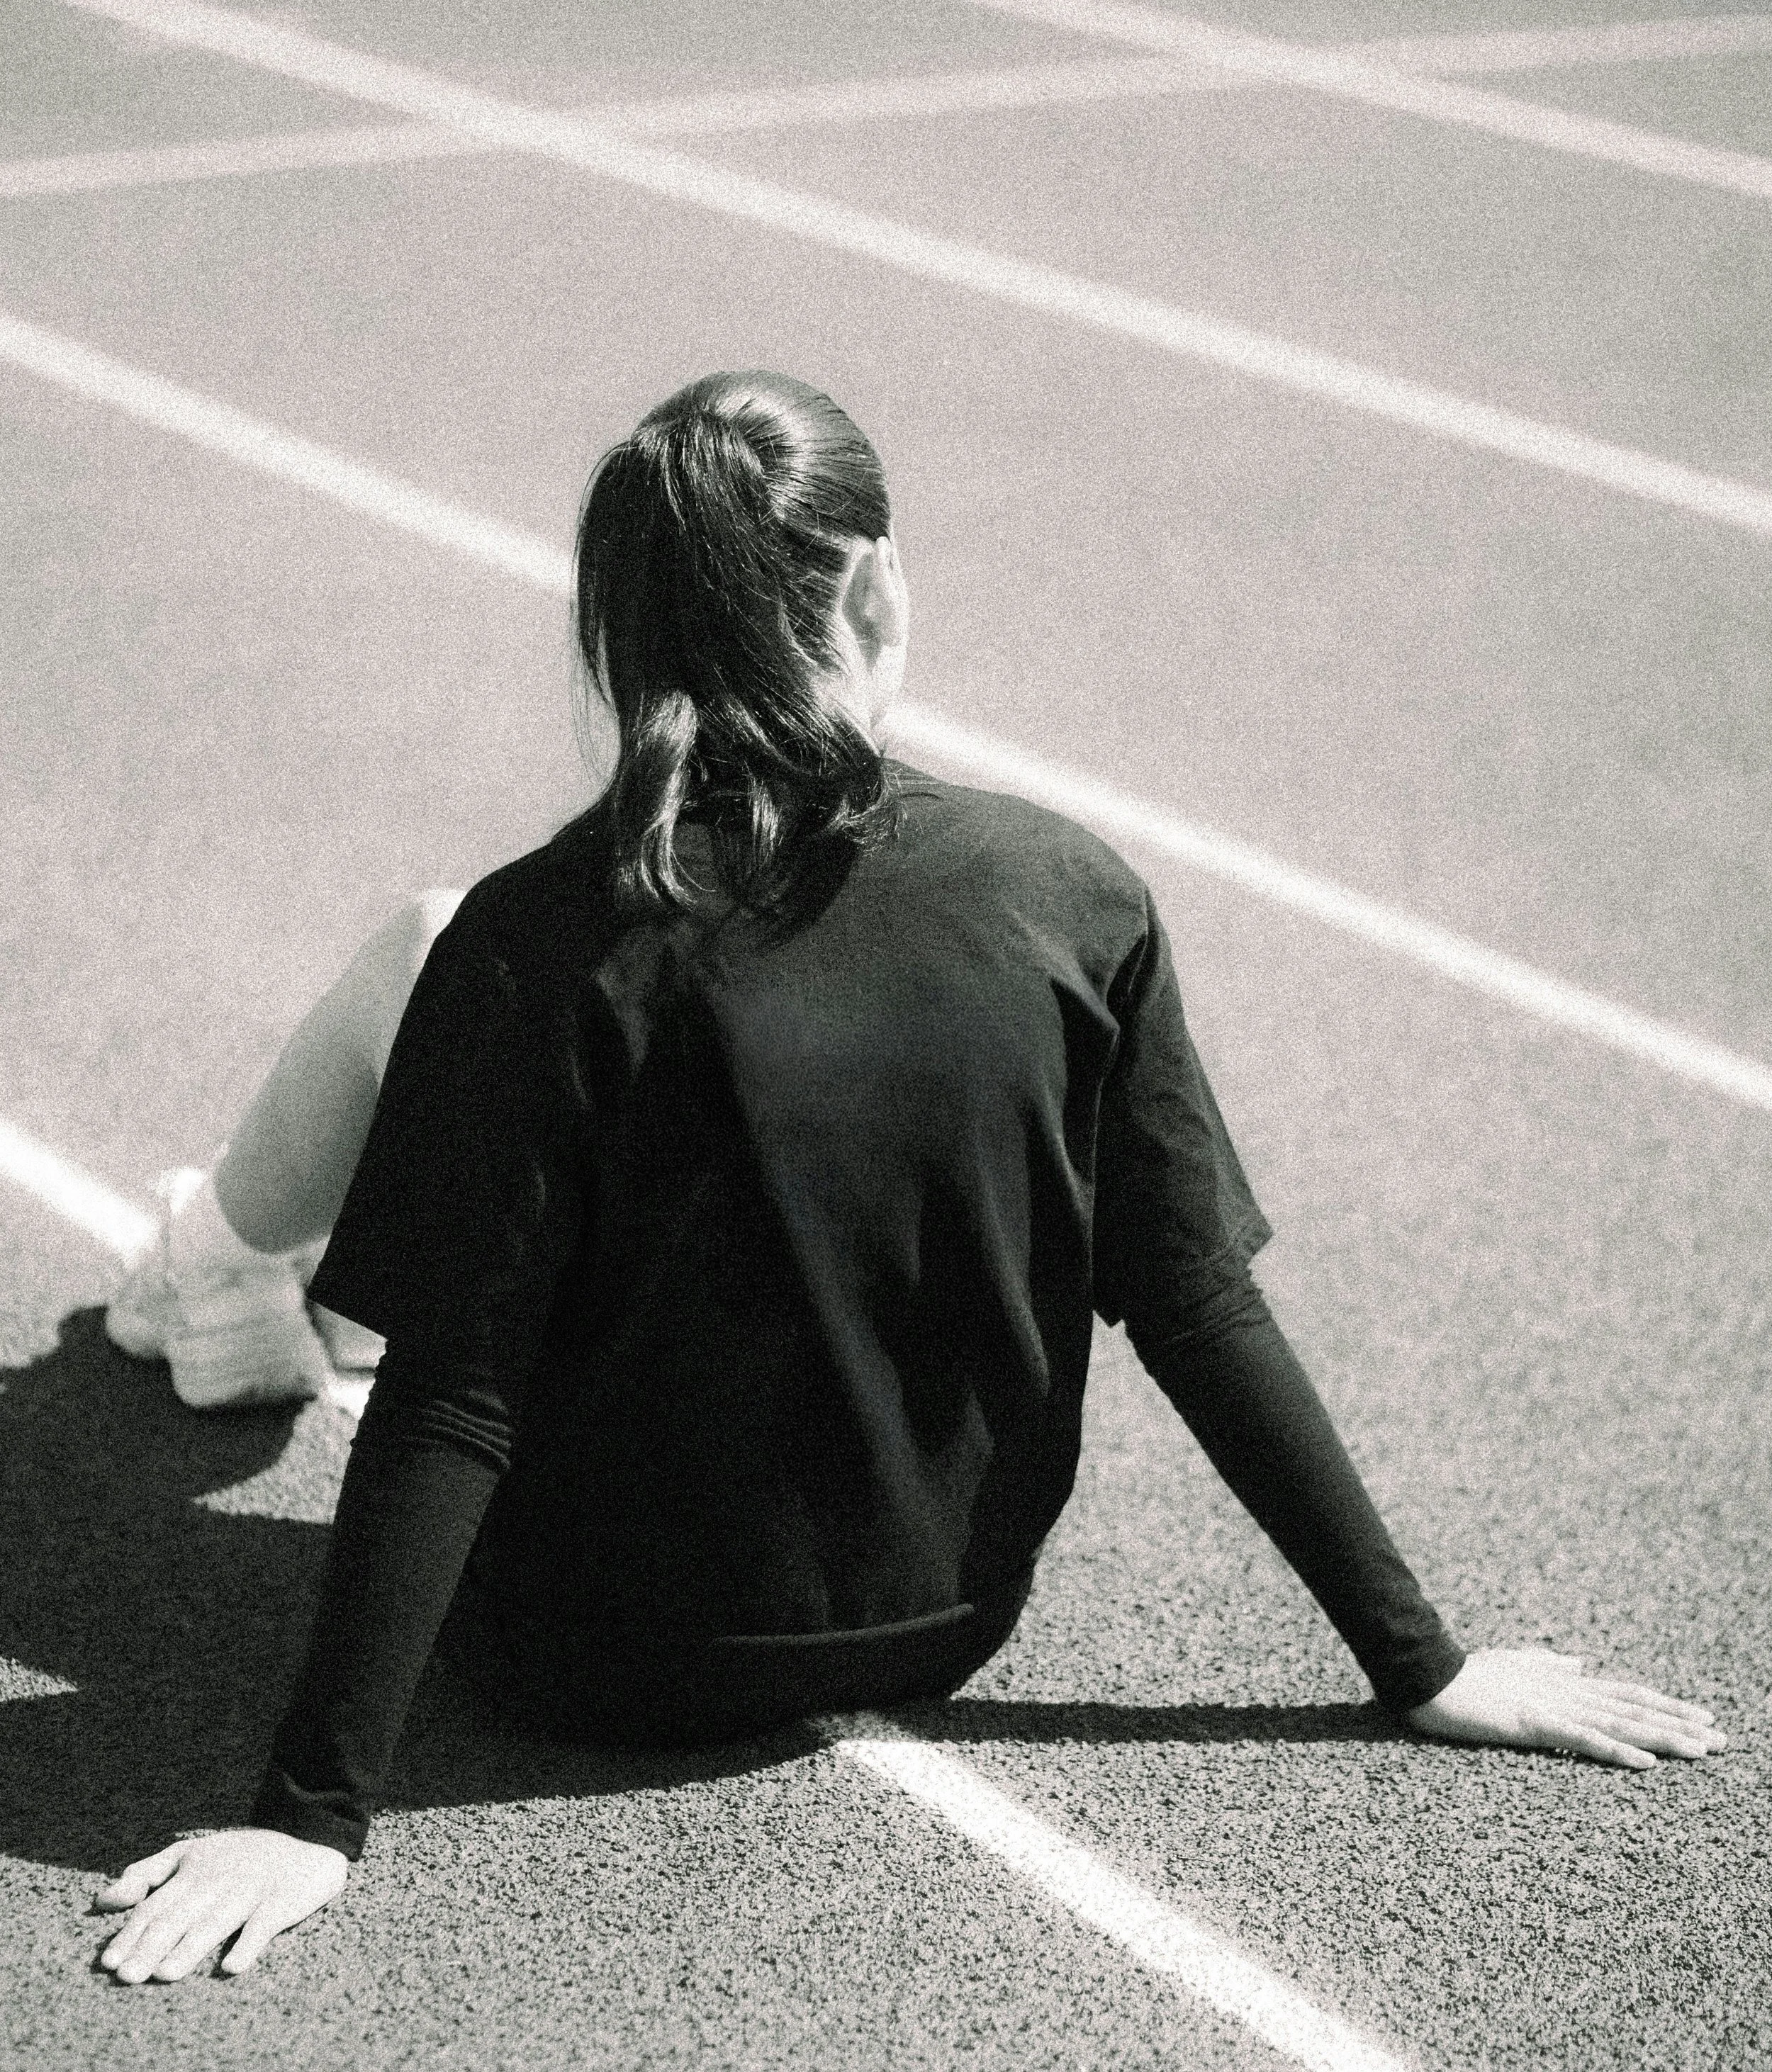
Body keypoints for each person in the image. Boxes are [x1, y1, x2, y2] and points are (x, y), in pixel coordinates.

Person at [91, 371, 1725, 1988]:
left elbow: (458, 1403)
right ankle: (245, 1282)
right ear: (871, 582)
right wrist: (1417, 1664)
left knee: (429, 947)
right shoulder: (1071, 895)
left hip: (595, 1659)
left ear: (623, 626)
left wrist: (309, 1814)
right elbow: (1191, 1299)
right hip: (946, 1619)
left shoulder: (537, 943)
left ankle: (227, 1269)